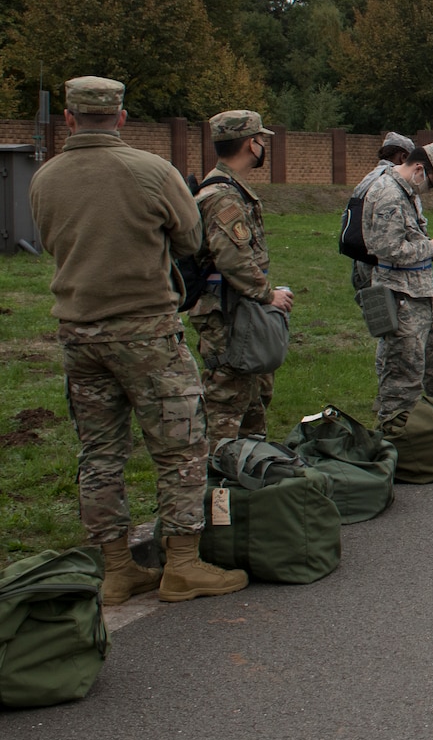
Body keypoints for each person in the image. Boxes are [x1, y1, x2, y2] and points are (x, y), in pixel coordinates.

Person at [28, 77, 246, 605]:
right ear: (121, 118)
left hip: (79, 334)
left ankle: (118, 569)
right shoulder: (151, 171)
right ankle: (182, 566)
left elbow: (47, 239)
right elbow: (191, 239)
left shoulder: (45, 178)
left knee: (99, 452)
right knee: (180, 449)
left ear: (70, 120)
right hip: (147, 330)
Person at [191, 110, 293, 440]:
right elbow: (232, 257)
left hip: (238, 306)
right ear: (251, 144)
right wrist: (268, 294)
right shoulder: (223, 195)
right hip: (229, 312)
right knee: (226, 402)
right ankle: (218, 482)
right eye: (261, 139)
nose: (263, 145)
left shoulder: (230, 188)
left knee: (251, 403)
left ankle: (247, 476)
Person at [364, 141, 433, 419]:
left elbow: (410, 242)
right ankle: (396, 442)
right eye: (431, 183)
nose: (429, 189)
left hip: (424, 291)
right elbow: (387, 249)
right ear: (419, 168)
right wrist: (429, 249)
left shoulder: (406, 194)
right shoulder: (388, 194)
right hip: (400, 297)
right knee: (403, 377)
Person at [350, 132, 416, 300]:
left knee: (377, 320)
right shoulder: (392, 183)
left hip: (361, 261)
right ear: (403, 157)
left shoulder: (367, 179)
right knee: (394, 321)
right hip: (384, 267)